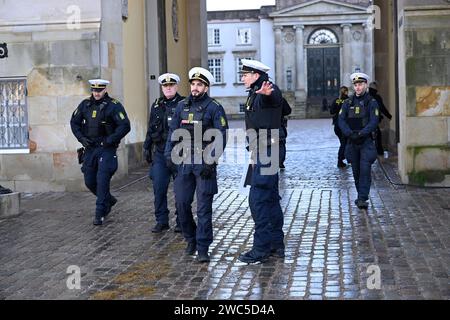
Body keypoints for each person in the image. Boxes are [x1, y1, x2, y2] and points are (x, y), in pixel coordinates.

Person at [165, 67, 228, 263]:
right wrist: (169, 156)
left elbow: (221, 137)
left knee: (203, 209)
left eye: (199, 85)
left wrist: (211, 161)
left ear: (206, 87)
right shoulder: (181, 106)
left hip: (204, 163)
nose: (195, 88)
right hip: (183, 161)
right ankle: (190, 238)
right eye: (193, 84)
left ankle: (202, 247)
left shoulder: (214, 108)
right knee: (182, 204)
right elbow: (173, 133)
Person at [238, 59, 285, 264]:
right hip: (262, 150)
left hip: (269, 150)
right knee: (271, 199)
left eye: (245, 75)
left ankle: (261, 249)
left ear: (256, 75)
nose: (242, 78)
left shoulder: (267, 90)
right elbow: (286, 109)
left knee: (257, 200)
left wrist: (269, 95)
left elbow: (274, 99)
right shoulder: (254, 92)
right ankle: (276, 244)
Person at [70, 79, 131, 225]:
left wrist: (110, 140)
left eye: (99, 90)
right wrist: (82, 139)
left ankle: (99, 213)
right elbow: (74, 122)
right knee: (89, 181)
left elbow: (125, 126)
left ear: (105, 90)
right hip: (90, 148)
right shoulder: (85, 105)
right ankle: (108, 200)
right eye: (94, 90)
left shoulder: (113, 106)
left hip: (106, 149)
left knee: (102, 180)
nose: (96, 93)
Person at [144, 73, 185, 233]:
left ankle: (181, 221)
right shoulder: (156, 105)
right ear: (162, 88)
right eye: (165, 86)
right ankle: (162, 220)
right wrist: (147, 147)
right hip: (160, 153)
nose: (168, 88)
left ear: (176, 86)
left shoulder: (184, 104)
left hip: (179, 152)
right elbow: (151, 128)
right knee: (159, 188)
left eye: (171, 85)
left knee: (180, 190)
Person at [338, 72, 379, 210]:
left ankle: (362, 198)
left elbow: (374, 121)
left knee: (365, 170)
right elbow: (341, 120)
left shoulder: (371, 102)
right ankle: (360, 195)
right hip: (352, 141)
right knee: (356, 171)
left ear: (365, 85)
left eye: (360, 84)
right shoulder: (347, 102)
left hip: (365, 141)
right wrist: (350, 133)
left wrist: (362, 133)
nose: (358, 87)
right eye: (355, 85)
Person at [369, 81, 392, 156]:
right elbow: (381, 107)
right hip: (374, 120)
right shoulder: (376, 97)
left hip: (366, 120)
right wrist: (388, 116)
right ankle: (379, 151)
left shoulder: (365, 96)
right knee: (378, 135)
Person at [329, 86, 349, 168]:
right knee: (344, 143)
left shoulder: (337, 100)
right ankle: (340, 160)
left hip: (337, 125)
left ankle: (344, 157)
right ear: (346, 92)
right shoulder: (348, 100)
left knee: (343, 143)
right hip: (344, 125)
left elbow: (331, 111)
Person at [279, 98, 292, 170]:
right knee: (280, 144)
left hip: (264, 126)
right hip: (278, 124)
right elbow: (287, 111)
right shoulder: (280, 99)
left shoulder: (258, 98)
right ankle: (280, 162)